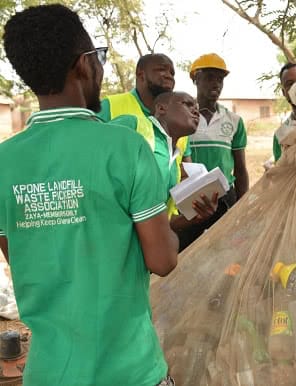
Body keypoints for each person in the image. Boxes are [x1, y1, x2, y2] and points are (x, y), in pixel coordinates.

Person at [0, 4, 177, 386]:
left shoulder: (3, 161)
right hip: (130, 371)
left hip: (48, 374)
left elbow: (26, 256)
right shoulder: (125, 147)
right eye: (99, 58)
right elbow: (162, 260)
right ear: (84, 65)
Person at [177, 53, 250, 251]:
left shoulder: (233, 121)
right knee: (187, 252)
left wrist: (242, 206)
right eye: (210, 77)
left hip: (225, 199)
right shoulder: (180, 117)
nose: (216, 84)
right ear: (195, 79)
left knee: (224, 253)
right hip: (189, 200)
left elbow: (241, 169)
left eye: (220, 79)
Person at [98, 53, 192, 168]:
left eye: (172, 73)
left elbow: (186, 170)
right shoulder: (109, 106)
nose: (169, 76)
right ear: (141, 75)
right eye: (162, 70)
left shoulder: (181, 118)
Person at [149, 91, 220, 232]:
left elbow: (163, 223)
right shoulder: (135, 125)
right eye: (188, 104)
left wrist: (194, 216)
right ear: (161, 108)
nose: (196, 112)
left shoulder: (175, 167)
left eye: (198, 109)